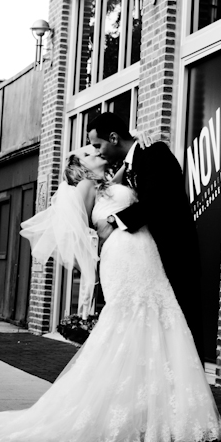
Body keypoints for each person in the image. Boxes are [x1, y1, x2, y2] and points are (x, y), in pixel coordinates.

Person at [0, 146, 221, 442]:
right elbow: (85, 227)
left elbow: (123, 189)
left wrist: (130, 159)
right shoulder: (83, 186)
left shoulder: (106, 182)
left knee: (160, 327)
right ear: (83, 168)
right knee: (129, 329)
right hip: (124, 257)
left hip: (146, 255)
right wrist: (106, 225)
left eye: (96, 148)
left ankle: (167, 422)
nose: (97, 154)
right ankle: (132, 420)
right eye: (91, 154)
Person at [87, 112, 205, 361]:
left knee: (183, 330)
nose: (97, 152)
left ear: (113, 137)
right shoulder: (131, 164)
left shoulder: (154, 154)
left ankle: (186, 391)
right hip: (150, 261)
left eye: (98, 146)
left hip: (175, 256)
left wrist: (113, 221)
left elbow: (155, 203)